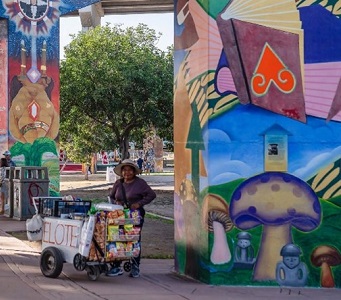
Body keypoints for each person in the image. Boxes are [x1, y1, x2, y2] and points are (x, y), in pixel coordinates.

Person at [108, 159, 156, 278]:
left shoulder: (140, 183)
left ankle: (135, 266)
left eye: (129, 170)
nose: (127, 172)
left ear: (134, 172)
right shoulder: (118, 184)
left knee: (133, 240)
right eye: (124, 170)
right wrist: (116, 202)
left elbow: (151, 195)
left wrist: (139, 204)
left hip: (135, 216)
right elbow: (111, 197)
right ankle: (116, 266)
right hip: (119, 216)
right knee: (118, 239)